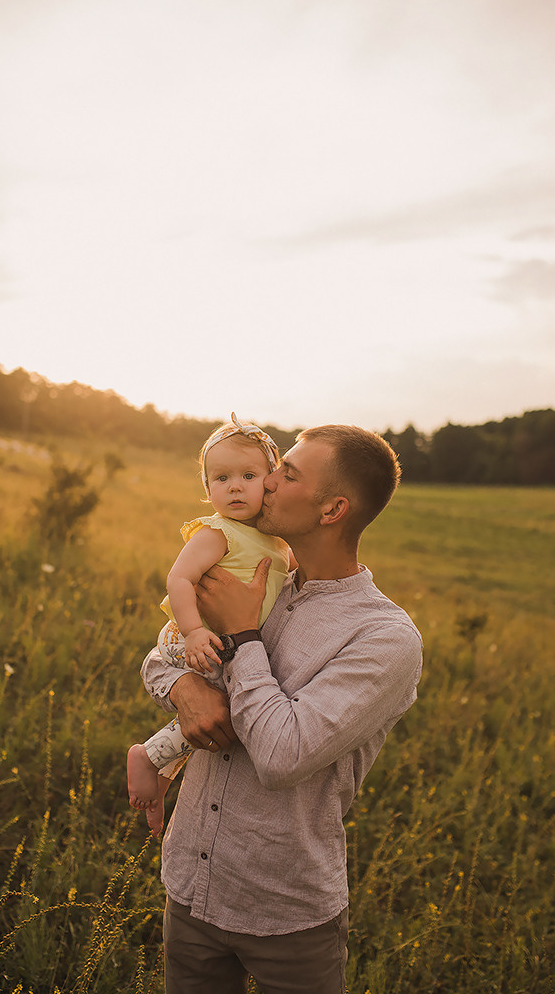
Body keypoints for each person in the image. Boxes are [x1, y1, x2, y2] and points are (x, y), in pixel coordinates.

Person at [140, 423, 424, 994]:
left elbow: (281, 756)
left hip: (285, 910)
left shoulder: (383, 637)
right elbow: (161, 656)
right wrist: (185, 689)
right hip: (192, 884)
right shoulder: (256, 574)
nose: (266, 482)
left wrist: (244, 634)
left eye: (287, 474)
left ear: (332, 509)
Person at [127, 413, 291, 834]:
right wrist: (195, 631)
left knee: (223, 712)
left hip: (221, 641)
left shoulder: (277, 542)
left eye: (248, 475)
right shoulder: (218, 533)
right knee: (231, 705)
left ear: (271, 481)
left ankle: (158, 768)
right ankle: (149, 758)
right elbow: (179, 578)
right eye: (221, 478)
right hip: (191, 637)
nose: (234, 486)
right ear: (207, 489)